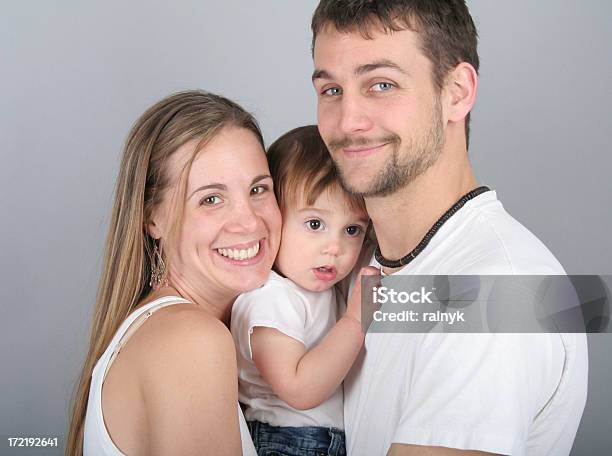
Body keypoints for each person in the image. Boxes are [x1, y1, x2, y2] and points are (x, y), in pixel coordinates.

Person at [310, 1, 588, 455]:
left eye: (382, 85)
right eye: (331, 91)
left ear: (457, 91)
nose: (348, 123)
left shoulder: (502, 292)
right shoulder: (345, 263)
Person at [66, 90, 282, 455]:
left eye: (258, 189)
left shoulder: (174, 331)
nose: (249, 221)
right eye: (211, 199)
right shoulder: (191, 340)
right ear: (153, 218)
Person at [231, 126, 378, 456]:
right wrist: (356, 320)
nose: (334, 247)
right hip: (287, 441)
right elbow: (297, 388)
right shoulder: (268, 298)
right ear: (274, 218)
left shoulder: (324, 289)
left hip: (321, 440)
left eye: (352, 230)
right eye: (315, 224)